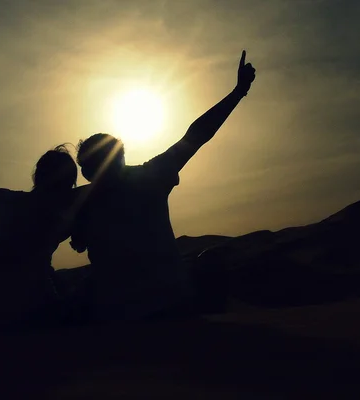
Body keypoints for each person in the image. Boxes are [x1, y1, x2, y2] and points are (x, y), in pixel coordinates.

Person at [71, 50, 256, 321]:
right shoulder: (148, 177)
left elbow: (196, 135)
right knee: (210, 262)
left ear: (86, 172)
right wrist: (238, 92)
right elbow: (196, 136)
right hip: (165, 305)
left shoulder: (82, 201)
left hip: (119, 313)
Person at [0, 139, 78, 334]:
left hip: (1, 305)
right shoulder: (59, 216)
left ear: (38, 176)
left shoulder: (10, 201)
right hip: (39, 303)